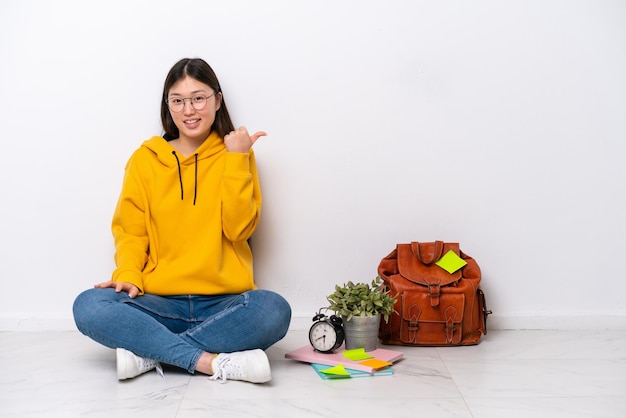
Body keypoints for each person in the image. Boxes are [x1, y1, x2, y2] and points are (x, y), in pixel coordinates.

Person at [73, 58, 291, 384]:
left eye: (198, 98)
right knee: (89, 305)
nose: (189, 110)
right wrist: (129, 274)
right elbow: (131, 231)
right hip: (159, 304)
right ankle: (208, 361)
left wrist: (236, 160)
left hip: (224, 303)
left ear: (217, 100)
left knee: (274, 309)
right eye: (178, 100)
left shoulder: (236, 153)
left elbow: (239, 229)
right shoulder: (145, 160)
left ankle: (150, 353)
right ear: (168, 107)